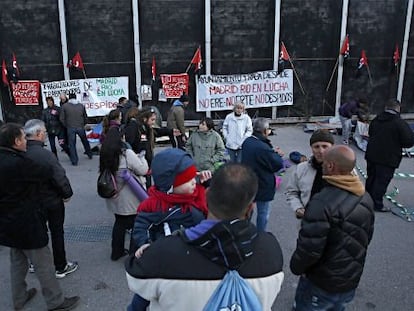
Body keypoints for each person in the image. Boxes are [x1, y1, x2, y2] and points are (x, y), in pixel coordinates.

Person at [125, 163, 284, 311]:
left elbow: (137, 283)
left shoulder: (162, 254)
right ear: (251, 207)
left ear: (206, 196)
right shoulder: (271, 250)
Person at [0, 123, 80, 311]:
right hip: (27, 221)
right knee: (43, 264)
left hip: (7, 222)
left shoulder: (7, 158)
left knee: (17, 262)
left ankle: (19, 298)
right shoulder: (22, 163)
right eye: (22, 138)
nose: (25, 141)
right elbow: (47, 173)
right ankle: (56, 302)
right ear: (16, 141)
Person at [290, 145, 375, 311]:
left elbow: (309, 249)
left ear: (330, 166)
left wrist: (296, 267)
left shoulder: (322, 203)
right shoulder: (365, 196)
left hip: (321, 283)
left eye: (324, 163)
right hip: (350, 280)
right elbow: (367, 236)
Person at [24, 119, 79, 278]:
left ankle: (35, 263)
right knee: (56, 232)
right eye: (45, 132)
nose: (46, 135)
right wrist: (67, 194)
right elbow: (59, 177)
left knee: (36, 231)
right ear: (39, 133)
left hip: (30, 201)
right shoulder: (46, 155)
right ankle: (60, 266)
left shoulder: (21, 153)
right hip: (51, 201)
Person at [99, 125, 149, 261]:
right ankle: (134, 254)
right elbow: (143, 170)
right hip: (130, 197)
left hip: (114, 194)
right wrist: (142, 157)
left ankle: (117, 251)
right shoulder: (127, 154)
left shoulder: (105, 153)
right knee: (135, 226)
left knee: (119, 224)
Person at [365, 99, 414, 212]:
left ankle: (366, 201)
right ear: (398, 108)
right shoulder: (399, 123)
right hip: (388, 157)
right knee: (381, 182)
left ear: (386, 107)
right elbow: (408, 141)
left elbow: (370, 133)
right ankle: (377, 205)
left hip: (372, 154)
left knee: (371, 178)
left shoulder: (376, 119)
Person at [241, 117, 284, 231]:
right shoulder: (263, 148)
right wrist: (277, 155)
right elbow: (278, 164)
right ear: (265, 131)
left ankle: (244, 230)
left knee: (247, 210)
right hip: (263, 184)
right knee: (263, 214)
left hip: (249, 182)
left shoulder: (247, 142)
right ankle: (261, 234)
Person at [285, 129, 335, 219]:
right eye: (316, 147)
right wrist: (298, 207)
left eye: (325, 146)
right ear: (311, 148)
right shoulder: (301, 169)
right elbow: (291, 192)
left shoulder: (343, 169)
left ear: (332, 147)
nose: (321, 151)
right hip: (307, 221)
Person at [60, 93, 93, 166]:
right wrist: (84, 124)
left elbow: (61, 118)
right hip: (80, 126)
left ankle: (74, 161)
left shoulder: (64, 106)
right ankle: (89, 153)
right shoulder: (81, 106)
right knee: (84, 141)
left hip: (70, 127)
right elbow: (85, 116)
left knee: (72, 144)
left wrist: (66, 125)